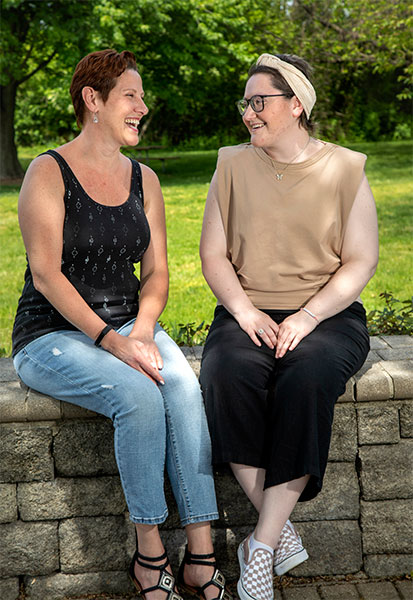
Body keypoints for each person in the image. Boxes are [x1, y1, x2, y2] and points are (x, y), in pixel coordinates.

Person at [12, 49, 233, 600]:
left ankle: (200, 556)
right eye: (131, 96)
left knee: (183, 387)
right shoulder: (47, 171)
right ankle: (149, 553)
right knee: (137, 394)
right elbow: (46, 277)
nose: (143, 107)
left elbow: (155, 274)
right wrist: (113, 342)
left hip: (131, 324)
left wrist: (141, 330)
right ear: (93, 100)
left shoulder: (145, 178)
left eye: (141, 97)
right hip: (53, 334)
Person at [199, 52, 378, 600]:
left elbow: (360, 260)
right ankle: (277, 529)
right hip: (245, 309)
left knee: (306, 378)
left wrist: (308, 315)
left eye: (260, 102)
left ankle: (261, 544)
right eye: (245, 102)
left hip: (327, 313)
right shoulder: (231, 163)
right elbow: (213, 255)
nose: (248, 113)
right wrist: (245, 311)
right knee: (228, 373)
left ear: (296, 105)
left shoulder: (345, 168)